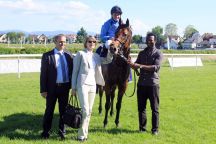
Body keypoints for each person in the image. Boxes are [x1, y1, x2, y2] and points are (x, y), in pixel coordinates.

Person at [71, 36, 113, 142]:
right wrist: (73, 88)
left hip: (93, 85)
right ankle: (81, 135)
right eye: (90, 41)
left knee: (89, 111)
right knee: (85, 110)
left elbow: (108, 59)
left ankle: (85, 133)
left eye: (94, 42)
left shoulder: (96, 56)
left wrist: (109, 48)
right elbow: (75, 72)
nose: (92, 43)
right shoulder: (80, 54)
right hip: (82, 85)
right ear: (85, 43)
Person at [127, 33, 163, 135]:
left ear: (155, 41)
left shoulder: (158, 54)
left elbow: (155, 68)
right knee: (141, 108)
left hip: (153, 85)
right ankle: (142, 128)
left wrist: (140, 66)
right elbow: (136, 66)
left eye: (151, 40)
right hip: (141, 85)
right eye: (148, 40)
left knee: (154, 109)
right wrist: (131, 64)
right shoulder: (141, 53)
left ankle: (155, 130)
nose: (149, 41)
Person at [40, 34, 73, 140]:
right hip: (51, 89)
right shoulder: (47, 56)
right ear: (55, 42)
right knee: (49, 111)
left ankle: (62, 132)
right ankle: (46, 132)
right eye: (60, 42)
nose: (62, 44)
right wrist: (43, 90)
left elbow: (72, 71)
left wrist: (73, 86)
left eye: (64, 41)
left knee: (63, 112)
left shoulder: (69, 55)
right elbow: (43, 74)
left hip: (65, 88)